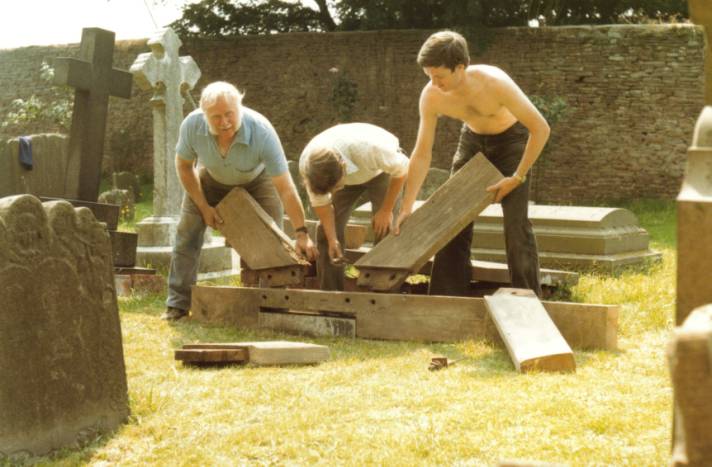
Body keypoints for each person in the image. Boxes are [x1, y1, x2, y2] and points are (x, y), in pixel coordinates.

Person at [395, 30, 550, 297]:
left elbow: (541, 128)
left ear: (460, 68)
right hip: (471, 142)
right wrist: (407, 205)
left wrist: (517, 176)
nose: (434, 83)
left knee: (516, 225)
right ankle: (445, 297)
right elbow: (422, 152)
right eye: (429, 76)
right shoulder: (431, 95)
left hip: (510, 145)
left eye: (440, 76)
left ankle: (528, 299)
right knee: (452, 221)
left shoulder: (496, 83)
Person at [163, 81, 317, 320]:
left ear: (240, 108)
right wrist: (204, 207)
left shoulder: (262, 131)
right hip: (210, 179)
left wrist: (301, 233)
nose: (224, 122)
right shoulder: (192, 126)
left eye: (229, 114)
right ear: (204, 116)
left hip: (257, 180)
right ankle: (178, 305)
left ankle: (271, 305)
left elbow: (286, 188)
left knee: (271, 241)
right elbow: (184, 166)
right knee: (187, 234)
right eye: (216, 117)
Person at [299, 123, 409, 291]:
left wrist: (386, 210)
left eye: (335, 187)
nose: (334, 192)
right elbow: (322, 205)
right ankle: (330, 297)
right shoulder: (310, 168)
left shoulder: (371, 149)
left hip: (381, 171)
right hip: (342, 174)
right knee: (326, 234)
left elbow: (402, 170)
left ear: (343, 169)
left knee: (386, 227)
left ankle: (381, 294)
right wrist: (332, 239)